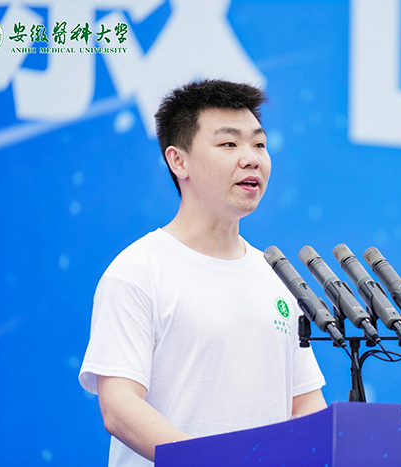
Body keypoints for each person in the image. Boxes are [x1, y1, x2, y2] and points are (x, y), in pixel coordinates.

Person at [79, 79, 327, 466]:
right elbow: (120, 406)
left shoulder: (277, 278)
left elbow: (305, 404)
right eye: (229, 144)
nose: (251, 159)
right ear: (178, 161)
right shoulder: (138, 270)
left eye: (259, 144)